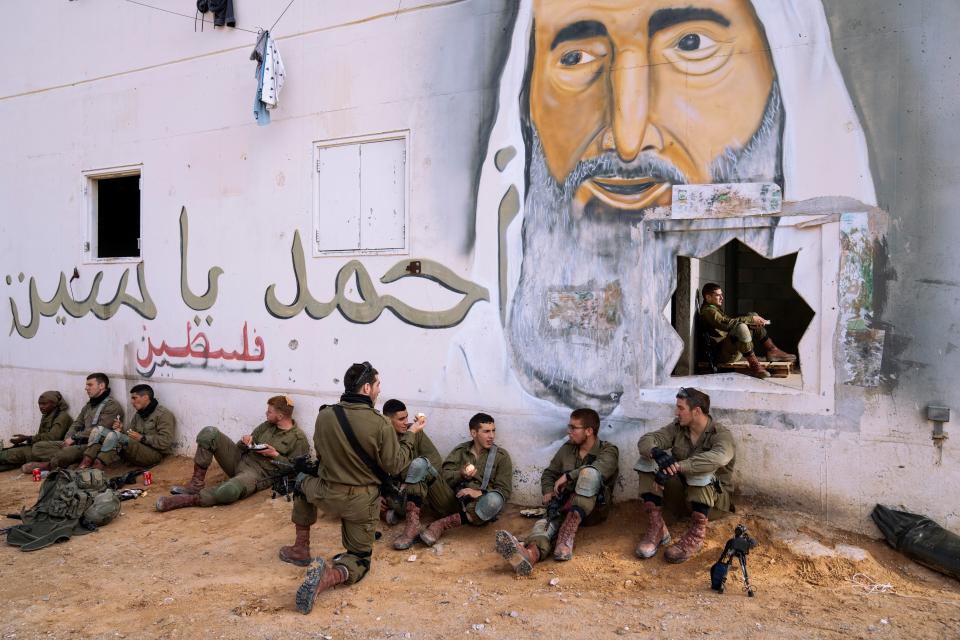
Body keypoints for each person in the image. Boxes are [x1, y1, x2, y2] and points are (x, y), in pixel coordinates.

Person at [445, 0, 877, 414]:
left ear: (782, 88)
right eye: (575, 58)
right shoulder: (458, 376)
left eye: (691, 44)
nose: (628, 139)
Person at [281, 362, 426, 615]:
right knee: (359, 558)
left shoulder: (325, 415)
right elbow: (394, 464)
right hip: (362, 501)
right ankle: (328, 578)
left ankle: (300, 548)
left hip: (325, 492)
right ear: (367, 387)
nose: (380, 390)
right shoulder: (380, 424)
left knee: (302, 482)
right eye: (378, 384)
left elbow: (321, 453)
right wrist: (412, 434)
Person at [495, 408, 618, 574]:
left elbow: (598, 468)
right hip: (565, 505)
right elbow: (549, 473)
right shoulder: (567, 449)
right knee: (544, 525)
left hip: (593, 511)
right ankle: (530, 555)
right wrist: (547, 490)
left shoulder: (608, 450)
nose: (569, 431)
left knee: (588, 474)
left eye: (574, 428)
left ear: (589, 431)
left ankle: (566, 538)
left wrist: (568, 476)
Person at [155, 395, 309, 511]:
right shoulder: (267, 425)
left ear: (281, 416)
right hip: (240, 460)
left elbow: (297, 470)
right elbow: (243, 447)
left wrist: (274, 455)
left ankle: (188, 499)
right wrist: (245, 442)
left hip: (257, 474)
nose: (265, 413)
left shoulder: (298, 438)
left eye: (269, 412)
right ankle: (196, 484)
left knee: (228, 492)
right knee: (210, 433)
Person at [634, 387, 735, 563]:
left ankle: (696, 536)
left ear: (696, 411)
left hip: (712, 505)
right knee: (647, 462)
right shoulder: (678, 428)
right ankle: (657, 528)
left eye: (681, 408)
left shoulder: (721, 434)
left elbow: (719, 457)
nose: (676, 412)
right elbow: (646, 440)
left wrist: (677, 466)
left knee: (700, 471)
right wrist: (657, 453)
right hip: (682, 500)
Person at [416, 413, 513, 546]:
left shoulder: (501, 456)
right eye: (486, 431)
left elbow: (504, 491)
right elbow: (443, 476)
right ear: (474, 433)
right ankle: (412, 524)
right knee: (424, 467)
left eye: (493, 431)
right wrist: (460, 474)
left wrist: (480, 492)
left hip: (478, 507)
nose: (491, 436)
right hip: (453, 501)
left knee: (495, 500)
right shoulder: (460, 451)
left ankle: (442, 524)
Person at [378, 399, 445, 551]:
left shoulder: (415, 432)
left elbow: (435, 461)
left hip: (419, 487)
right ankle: (386, 513)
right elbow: (374, 470)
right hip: (397, 490)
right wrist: (377, 494)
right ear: (388, 420)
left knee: (418, 466)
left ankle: (412, 527)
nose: (405, 422)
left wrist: (413, 478)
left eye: (407, 418)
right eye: (401, 419)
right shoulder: (381, 437)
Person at [28, 373, 124, 472]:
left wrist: (74, 438)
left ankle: (51, 464)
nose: (86, 388)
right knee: (38, 447)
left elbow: (100, 430)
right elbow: (76, 424)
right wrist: (67, 439)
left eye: (90, 385)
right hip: (77, 443)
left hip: (93, 446)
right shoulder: (89, 405)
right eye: (86, 385)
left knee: (66, 452)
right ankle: (71, 462)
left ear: (101, 386)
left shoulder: (112, 406)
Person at [699, 282, 796, 379]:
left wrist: (752, 321)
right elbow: (727, 324)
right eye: (718, 295)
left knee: (752, 315)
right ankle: (755, 366)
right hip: (723, 356)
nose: (722, 298)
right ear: (708, 297)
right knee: (742, 326)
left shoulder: (714, 308)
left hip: (730, 350)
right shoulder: (708, 311)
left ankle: (773, 350)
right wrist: (750, 320)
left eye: (721, 295)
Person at [80, 384, 176, 469]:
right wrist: (121, 430)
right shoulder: (138, 414)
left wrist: (143, 438)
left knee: (115, 436)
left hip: (153, 455)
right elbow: (129, 438)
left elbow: (165, 441)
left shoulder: (163, 414)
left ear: (146, 398)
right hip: (135, 451)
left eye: (135, 398)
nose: (132, 402)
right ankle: (85, 464)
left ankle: (96, 469)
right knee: (98, 430)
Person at [0, 391, 72, 472]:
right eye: (39, 404)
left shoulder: (62, 417)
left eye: (44, 404)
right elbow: (42, 436)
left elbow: (53, 437)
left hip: (47, 450)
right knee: (7, 455)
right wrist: (28, 439)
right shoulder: (47, 415)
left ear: (54, 404)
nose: (41, 406)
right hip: (40, 447)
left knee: (8, 455)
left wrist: (28, 438)